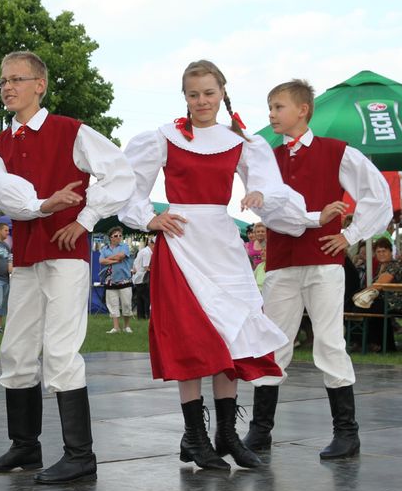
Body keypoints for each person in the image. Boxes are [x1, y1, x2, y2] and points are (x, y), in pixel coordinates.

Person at [119, 59, 311, 470]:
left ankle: (226, 435)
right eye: (193, 94)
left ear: (222, 93)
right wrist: (149, 218)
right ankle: (195, 436)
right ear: (184, 97)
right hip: (182, 242)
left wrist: (258, 193)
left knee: (232, 336)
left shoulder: (240, 140)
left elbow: (267, 183)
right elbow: (125, 186)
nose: (202, 101)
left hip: (222, 244)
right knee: (191, 339)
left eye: (209, 92)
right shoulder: (162, 138)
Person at [0, 51, 135, 484]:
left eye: (17, 79)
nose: (8, 87)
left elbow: (121, 175)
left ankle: (80, 455)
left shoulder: (72, 131)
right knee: (16, 349)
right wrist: (44, 206)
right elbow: (8, 198)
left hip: (65, 256)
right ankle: (25, 447)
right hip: (27, 257)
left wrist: (84, 220)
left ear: (40, 85)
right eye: (4, 81)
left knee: (61, 350)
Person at [244, 79, 391, 460]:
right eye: (270, 106)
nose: (271, 114)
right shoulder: (267, 159)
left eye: (278, 106)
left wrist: (351, 235)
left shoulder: (336, 152)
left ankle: (347, 433)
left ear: (303, 109)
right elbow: (271, 212)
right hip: (280, 264)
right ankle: (260, 432)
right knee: (272, 344)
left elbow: (379, 197)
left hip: (324, 262)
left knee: (329, 342)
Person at [100, 226, 134, 333]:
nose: (119, 237)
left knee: (127, 304)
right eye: (116, 236)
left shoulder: (124, 246)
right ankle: (116, 327)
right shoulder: (104, 249)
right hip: (110, 280)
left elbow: (121, 256)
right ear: (110, 237)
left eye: (120, 235)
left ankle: (127, 326)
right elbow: (101, 261)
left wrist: (108, 259)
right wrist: (114, 260)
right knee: (112, 303)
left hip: (125, 279)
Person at [132, 236, 154, 319]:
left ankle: (141, 316)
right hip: (143, 279)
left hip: (139, 278)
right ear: (151, 244)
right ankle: (147, 315)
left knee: (140, 298)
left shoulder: (143, 251)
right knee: (146, 298)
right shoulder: (147, 253)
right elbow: (146, 267)